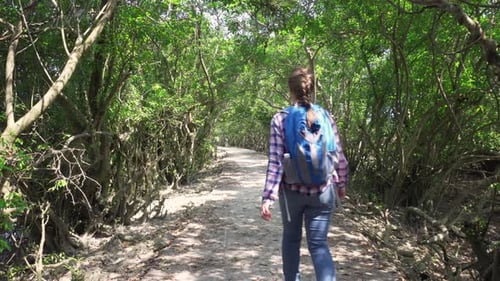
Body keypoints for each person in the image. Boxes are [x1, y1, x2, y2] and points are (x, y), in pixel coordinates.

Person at [260, 67, 348, 281]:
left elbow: (276, 162)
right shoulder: (326, 116)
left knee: (291, 240)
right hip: (323, 192)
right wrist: (341, 183)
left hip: (291, 193)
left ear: (290, 91)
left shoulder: (280, 119)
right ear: (313, 89)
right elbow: (338, 155)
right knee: (319, 245)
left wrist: (268, 197)